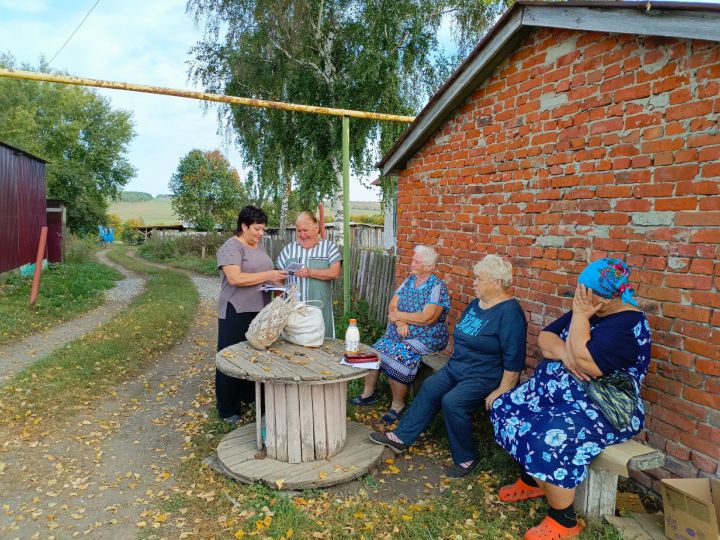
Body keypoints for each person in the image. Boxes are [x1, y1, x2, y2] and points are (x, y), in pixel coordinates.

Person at [490, 258, 651, 540]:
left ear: (604, 297)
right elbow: (546, 338)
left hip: (603, 409)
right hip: (559, 398)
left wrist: (579, 317)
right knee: (505, 406)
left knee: (548, 437)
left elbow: (587, 364)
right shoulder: (592, 309)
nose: (580, 296)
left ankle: (563, 521)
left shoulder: (626, 324)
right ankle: (533, 480)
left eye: (586, 291)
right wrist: (566, 353)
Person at [369, 254, 527, 478]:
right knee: (431, 387)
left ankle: (467, 457)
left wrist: (503, 389)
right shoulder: (476, 304)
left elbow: (514, 358)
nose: (474, 282)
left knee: (452, 402)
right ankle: (401, 438)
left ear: (497, 282)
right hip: (458, 367)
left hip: (484, 375)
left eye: (479, 279)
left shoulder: (510, 313)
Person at [351, 245, 451, 424]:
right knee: (373, 352)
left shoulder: (437, 287)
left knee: (398, 356)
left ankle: (397, 405)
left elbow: (427, 318)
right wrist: (399, 322)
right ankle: (368, 394)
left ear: (428, 266)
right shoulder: (409, 281)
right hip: (400, 330)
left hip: (426, 336)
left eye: (416, 261)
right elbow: (391, 307)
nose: (411, 263)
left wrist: (399, 315)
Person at [216, 205, 287, 425]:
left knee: (255, 355)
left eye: (262, 229)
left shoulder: (259, 247)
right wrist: (268, 274)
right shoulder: (231, 248)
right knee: (231, 357)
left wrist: (278, 285)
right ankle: (227, 408)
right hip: (235, 309)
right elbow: (236, 278)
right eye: (256, 228)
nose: (260, 233)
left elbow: (262, 275)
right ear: (243, 226)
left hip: (259, 310)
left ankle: (250, 397)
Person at [276, 211, 341, 338]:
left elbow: (335, 273)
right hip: (292, 314)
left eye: (305, 230)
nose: (302, 234)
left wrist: (311, 272)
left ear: (316, 229)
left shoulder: (329, 248)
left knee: (322, 349)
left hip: (320, 313)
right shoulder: (289, 249)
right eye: (298, 231)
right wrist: (279, 300)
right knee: (290, 349)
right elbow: (278, 278)